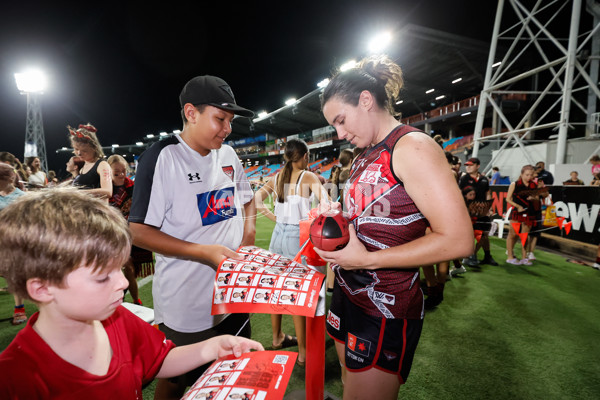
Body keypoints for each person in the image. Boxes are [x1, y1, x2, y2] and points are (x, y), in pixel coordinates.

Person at [0, 189, 263, 399]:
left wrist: (211, 347)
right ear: (42, 288)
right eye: (103, 276)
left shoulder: (119, 319)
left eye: (120, 269)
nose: (122, 283)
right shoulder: (15, 377)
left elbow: (159, 360)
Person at [315, 55, 473, 399]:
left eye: (341, 120)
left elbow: (459, 241)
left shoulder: (411, 146)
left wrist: (367, 261)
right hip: (347, 292)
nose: (340, 134)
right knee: (347, 386)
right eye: (334, 126)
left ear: (366, 100)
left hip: (384, 307)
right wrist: (334, 217)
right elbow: (371, 217)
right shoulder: (364, 154)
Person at [129, 75, 257, 399]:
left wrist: (250, 231)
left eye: (230, 121)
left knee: (232, 371)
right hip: (187, 301)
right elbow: (137, 231)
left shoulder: (228, 155)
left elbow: (247, 196)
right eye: (220, 119)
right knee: (176, 378)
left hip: (233, 292)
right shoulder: (162, 158)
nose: (227, 129)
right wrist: (203, 252)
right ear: (191, 113)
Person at [254, 138, 329, 367]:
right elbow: (327, 204)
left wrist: (275, 218)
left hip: (278, 234)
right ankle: (304, 353)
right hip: (298, 236)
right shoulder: (308, 176)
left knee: (278, 287)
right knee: (299, 293)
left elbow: (256, 201)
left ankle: (277, 337)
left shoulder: (277, 177)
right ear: (305, 156)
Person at [107, 154, 144, 306]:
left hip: (130, 232)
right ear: (108, 172)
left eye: (124, 171)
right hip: (111, 234)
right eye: (117, 173)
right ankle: (119, 299)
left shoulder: (133, 186)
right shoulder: (105, 187)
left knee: (130, 268)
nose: (122, 175)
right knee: (121, 267)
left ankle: (136, 301)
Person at [0, 163, 28, 325]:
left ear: (8, 178)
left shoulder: (21, 197)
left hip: (13, 242)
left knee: (14, 275)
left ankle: (19, 309)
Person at [459, 157, 498, 266]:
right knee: (471, 235)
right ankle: (470, 256)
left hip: (483, 211)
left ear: (477, 166)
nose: (468, 167)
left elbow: (488, 193)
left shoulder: (484, 179)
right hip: (469, 212)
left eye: (470, 165)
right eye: (467, 165)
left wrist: (489, 207)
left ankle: (482, 255)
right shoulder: (464, 179)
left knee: (485, 234)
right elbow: (460, 194)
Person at [505, 165, 542, 265]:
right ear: (521, 174)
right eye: (526, 175)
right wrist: (517, 206)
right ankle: (509, 256)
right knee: (513, 234)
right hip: (517, 213)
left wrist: (533, 198)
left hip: (529, 213)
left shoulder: (533, 185)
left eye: (530, 175)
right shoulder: (515, 184)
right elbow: (508, 199)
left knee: (524, 236)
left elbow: (537, 198)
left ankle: (524, 258)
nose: (529, 177)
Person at [68, 123, 113, 200]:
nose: (79, 153)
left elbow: (108, 192)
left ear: (94, 148)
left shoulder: (102, 165)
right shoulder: (84, 166)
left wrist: (77, 193)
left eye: (84, 150)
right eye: (76, 149)